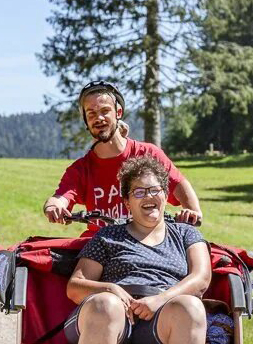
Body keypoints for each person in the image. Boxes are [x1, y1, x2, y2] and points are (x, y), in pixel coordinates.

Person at [60, 155, 211, 344]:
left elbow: (200, 279)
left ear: (165, 195)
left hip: (162, 316)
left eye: (154, 190)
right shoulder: (108, 236)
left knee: (191, 306)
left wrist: (159, 300)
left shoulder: (186, 233)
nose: (148, 197)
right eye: (139, 192)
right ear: (127, 201)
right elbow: (75, 286)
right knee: (105, 304)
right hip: (110, 318)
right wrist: (110, 289)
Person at [43, 80, 202, 233]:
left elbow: (180, 185)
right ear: (86, 120)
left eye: (105, 111)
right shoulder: (80, 170)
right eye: (91, 114)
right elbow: (59, 198)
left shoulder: (148, 154)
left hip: (146, 243)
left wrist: (192, 212)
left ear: (118, 112)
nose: (99, 118)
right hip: (100, 248)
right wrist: (53, 206)